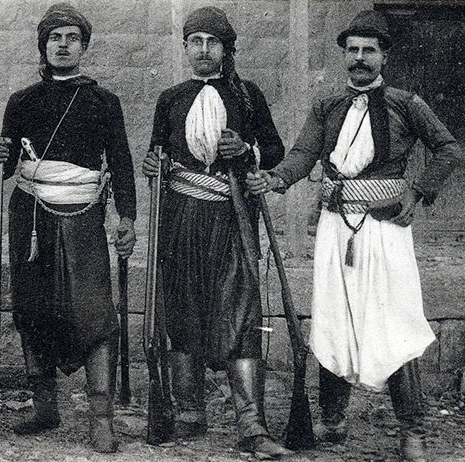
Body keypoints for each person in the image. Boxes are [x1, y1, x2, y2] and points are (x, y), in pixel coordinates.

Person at [247, 10, 463, 462]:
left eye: (369, 50)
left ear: (384, 56)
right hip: (334, 227)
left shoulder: (407, 103)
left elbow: (448, 148)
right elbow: (305, 153)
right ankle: (333, 419)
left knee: (394, 321)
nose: (360, 59)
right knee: (333, 321)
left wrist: (420, 190)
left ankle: (412, 430)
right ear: (344, 55)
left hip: (385, 230)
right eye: (352, 51)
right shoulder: (326, 105)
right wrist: (277, 178)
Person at [0, 3, 136, 453]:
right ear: (44, 46)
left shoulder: (104, 102)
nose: (63, 45)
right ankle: (44, 406)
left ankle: (101, 417)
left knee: (92, 311)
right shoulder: (23, 101)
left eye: (71, 37)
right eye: (55, 38)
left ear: (84, 47)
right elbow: (9, 167)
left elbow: (122, 165)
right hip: (29, 216)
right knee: (32, 307)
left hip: (82, 216)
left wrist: (127, 217)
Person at [141, 6, 290, 459]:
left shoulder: (247, 96)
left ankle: (251, 423)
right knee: (182, 305)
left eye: (212, 42)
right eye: (195, 42)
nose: (203, 50)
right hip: (183, 216)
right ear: (186, 48)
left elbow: (276, 149)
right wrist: (153, 164)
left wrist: (247, 149)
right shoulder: (171, 98)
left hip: (231, 218)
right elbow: (157, 153)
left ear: (226, 49)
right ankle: (188, 412)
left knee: (241, 309)